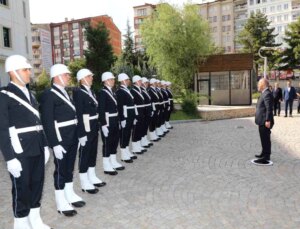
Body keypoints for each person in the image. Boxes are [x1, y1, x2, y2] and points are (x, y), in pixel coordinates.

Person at [0, 55, 52, 229]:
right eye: (25, 69)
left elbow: (39, 121)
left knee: (37, 184)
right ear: (13, 72)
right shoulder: (4, 95)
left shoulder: (30, 94)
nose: (29, 72)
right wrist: (9, 158)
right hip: (19, 150)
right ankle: (21, 224)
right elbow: (2, 129)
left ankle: (35, 220)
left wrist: (45, 145)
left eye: (29, 69)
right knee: (22, 188)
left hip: (36, 146)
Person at [40, 64, 83, 217]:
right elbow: (47, 121)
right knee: (60, 170)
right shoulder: (49, 94)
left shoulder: (65, 92)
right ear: (57, 76)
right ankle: (61, 202)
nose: (68, 77)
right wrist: (54, 144)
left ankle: (69, 194)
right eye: (66, 75)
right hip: (61, 139)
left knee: (69, 168)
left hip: (71, 136)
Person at [73, 69, 106, 194]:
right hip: (85, 128)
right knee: (85, 154)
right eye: (89, 76)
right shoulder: (78, 92)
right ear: (82, 79)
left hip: (93, 126)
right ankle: (84, 181)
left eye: (91, 76)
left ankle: (92, 176)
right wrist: (81, 133)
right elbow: (79, 114)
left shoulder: (90, 91)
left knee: (92, 152)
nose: (92, 78)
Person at [98, 72, 124, 175]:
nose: (113, 81)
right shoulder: (102, 93)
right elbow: (101, 110)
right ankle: (106, 165)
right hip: (108, 121)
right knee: (107, 143)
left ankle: (113, 161)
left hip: (114, 120)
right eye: (111, 79)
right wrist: (103, 124)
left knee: (114, 141)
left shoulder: (112, 92)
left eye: (113, 79)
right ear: (105, 81)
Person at [251, 78, 274, 166]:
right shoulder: (264, 93)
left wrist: (268, 120)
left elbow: (269, 108)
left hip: (265, 121)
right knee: (263, 138)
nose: (258, 86)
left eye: (259, 84)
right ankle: (264, 153)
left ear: (263, 84)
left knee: (266, 139)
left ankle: (266, 156)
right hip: (262, 120)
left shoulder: (267, 93)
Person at [115, 73, 136, 162]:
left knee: (128, 134)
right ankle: (123, 155)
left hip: (130, 115)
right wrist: (122, 118)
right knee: (124, 135)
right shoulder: (120, 92)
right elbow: (120, 106)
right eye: (127, 80)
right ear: (123, 81)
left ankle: (127, 151)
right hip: (125, 116)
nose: (129, 81)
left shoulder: (127, 90)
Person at [131, 75, 147, 154]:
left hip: (141, 111)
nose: (141, 82)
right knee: (136, 130)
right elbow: (133, 104)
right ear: (136, 82)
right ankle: (134, 147)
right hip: (137, 112)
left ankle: (138, 144)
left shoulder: (140, 89)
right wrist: (135, 114)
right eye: (140, 81)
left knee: (140, 129)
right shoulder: (133, 91)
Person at [140, 77, 153, 148]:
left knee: (145, 127)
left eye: (147, 83)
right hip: (144, 111)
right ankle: (142, 140)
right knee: (143, 127)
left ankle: (144, 139)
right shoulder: (142, 91)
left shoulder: (145, 90)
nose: (147, 84)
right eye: (146, 83)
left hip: (147, 110)